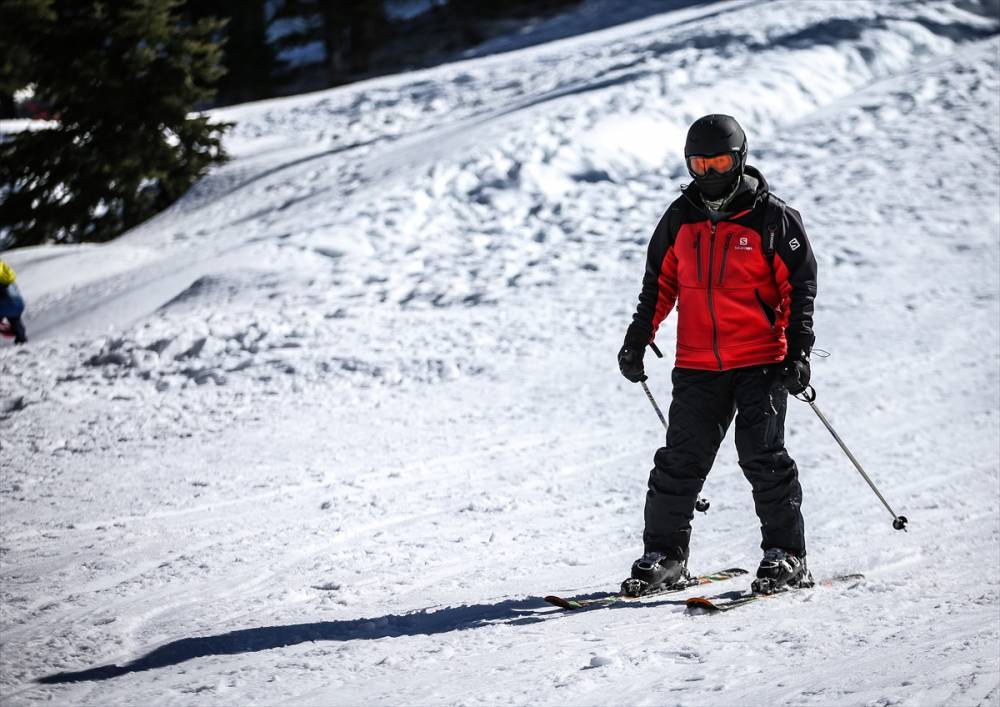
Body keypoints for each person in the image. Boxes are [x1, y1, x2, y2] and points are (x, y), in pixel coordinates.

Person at [618, 114, 817, 595]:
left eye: (719, 161)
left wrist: (798, 349)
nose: (709, 173)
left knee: (762, 456)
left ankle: (786, 555)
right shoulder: (680, 216)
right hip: (697, 363)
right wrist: (639, 335)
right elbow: (660, 283)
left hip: (761, 360)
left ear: (740, 159)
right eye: (699, 163)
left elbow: (799, 287)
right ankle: (665, 557)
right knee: (678, 460)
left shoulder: (773, 217)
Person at [0, 259, 28, 344]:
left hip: (4, 303)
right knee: (15, 320)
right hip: (17, 303)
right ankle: (21, 338)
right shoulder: (4, 268)